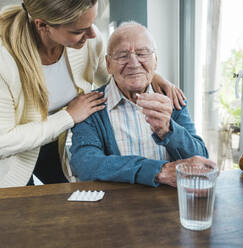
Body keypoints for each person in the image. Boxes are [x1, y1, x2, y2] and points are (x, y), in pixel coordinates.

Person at [0, 0, 185, 190]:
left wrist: (151, 75)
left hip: (54, 146)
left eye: (91, 24)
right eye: (78, 30)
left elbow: (112, 74)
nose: (91, 35)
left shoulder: (90, 38)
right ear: (42, 25)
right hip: (9, 158)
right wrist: (69, 116)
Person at [70, 22, 211, 188]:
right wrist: (158, 171)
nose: (134, 63)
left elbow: (200, 161)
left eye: (142, 53)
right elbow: (85, 164)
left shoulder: (171, 98)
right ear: (108, 64)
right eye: (122, 55)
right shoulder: (90, 105)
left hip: (170, 206)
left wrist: (168, 130)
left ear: (155, 61)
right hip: (115, 206)